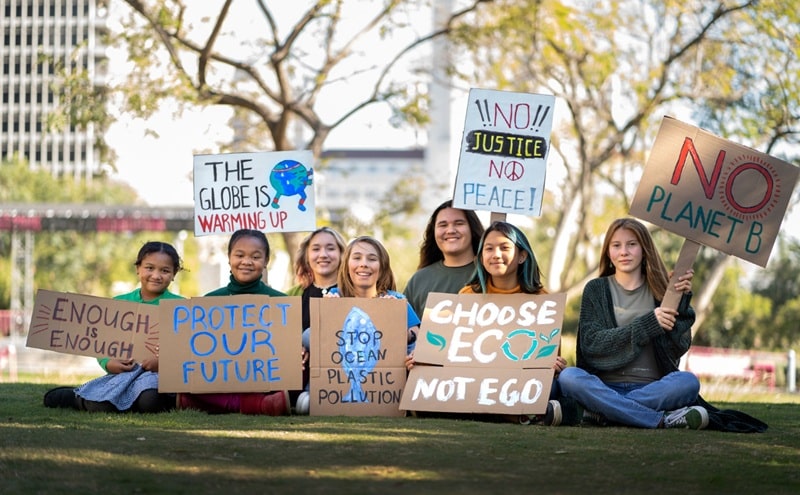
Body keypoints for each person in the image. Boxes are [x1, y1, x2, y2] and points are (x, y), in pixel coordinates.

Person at [405, 221, 572, 425]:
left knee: (550, 389)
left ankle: (499, 413)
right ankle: (520, 416)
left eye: (505, 247)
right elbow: (450, 349)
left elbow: (549, 357)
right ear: (481, 257)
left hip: (517, 384)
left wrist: (554, 365)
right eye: (489, 248)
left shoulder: (541, 300)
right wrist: (423, 358)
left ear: (522, 256)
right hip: (475, 382)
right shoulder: (467, 295)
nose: (495, 254)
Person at [557, 217, 708, 429]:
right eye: (616, 245)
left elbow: (679, 346)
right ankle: (660, 419)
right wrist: (647, 325)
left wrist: (681, 302)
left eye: (631, 244)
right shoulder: (596, 289)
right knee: (569, 376)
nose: (624, 252)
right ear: (608, 252)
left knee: (688, 382)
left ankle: (602, 412)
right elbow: (591, 344)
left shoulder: (662, 290)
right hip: (603, 386)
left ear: (644, 248)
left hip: (652, 388)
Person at [43, 241, 185, 413]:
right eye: (149, 268)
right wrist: (109, 363)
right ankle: (77, 398)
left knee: (150, 401)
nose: (156, 275)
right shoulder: (120, 303)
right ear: (138, 269)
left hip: (158, 377)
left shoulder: (181, 307)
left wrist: (163, 363)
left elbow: (187, 350)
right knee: (101, 405)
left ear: (174, 274)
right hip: (124, 374)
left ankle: (127, 402)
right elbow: (102, 343)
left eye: (164, 271)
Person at [175, 229, 293, 415]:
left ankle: (199, 403)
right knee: (179, 375)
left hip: (263, 381)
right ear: (229, 258)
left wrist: (298, 352)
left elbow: (289, 349)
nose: (246, 261)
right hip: (219, 381)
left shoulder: (281, 302)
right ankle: (258, 405)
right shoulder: (209, 301)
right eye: (239, 255)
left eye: (255, 256)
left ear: (266, 262)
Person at [321, 236, 420, 354]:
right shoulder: (335, 296)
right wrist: (328, 311)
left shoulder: (397, 300)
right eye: (357, 258)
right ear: (347, 266)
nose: (363, 264)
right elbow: (320, 338)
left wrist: (395, 320)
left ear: (382, 268)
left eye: (372, 259)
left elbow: (416, 337)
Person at [285, 226, 346, 404]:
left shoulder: (353, 294)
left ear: (342, 254)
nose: (323, 254)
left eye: (331, 248)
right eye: (316, 249)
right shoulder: (291, 295)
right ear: (306, 256)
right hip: (301, 370)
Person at [403, 200, 484, 318]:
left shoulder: (492, 275)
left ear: (472, 228)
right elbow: (405, 329)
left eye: (459, 223)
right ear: (434, 231)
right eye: (443, 225)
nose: (450, 230)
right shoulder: (419, 280)